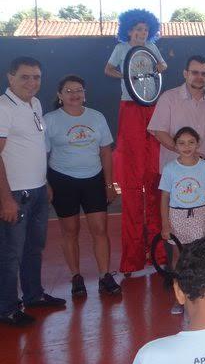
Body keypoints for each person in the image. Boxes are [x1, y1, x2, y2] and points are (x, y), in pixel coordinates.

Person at [0, 57, 66, 326]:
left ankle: (33, 295)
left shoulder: (35, 104)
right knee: (10, 253)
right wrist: (5, 198)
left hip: (37, 189)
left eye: (36, 77)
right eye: (25, 77)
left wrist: (45, 182)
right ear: (10, 77)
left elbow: (35, 148)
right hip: (15, 193)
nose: (32, 82)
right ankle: (6, 308)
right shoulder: (4, 108)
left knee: (34, 248)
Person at [44, 75, 121, 296]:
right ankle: (76, 277)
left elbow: (106, 151)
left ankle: (105, 276)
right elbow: (43, 154)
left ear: (85, 94)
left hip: (94, 180)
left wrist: (109, 184)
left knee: (100, 229)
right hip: (62, 180)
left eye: (79, 90)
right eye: (68, 91)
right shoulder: (49, 120)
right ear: (59, 96)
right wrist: (47, 183)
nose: (74, 95)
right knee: (70, 231)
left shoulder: (97, 117)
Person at [104, 9, 167, 274]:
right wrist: (126, 77)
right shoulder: (121, 49)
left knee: (155, 178)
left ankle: (159, 254)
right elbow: (108, 70)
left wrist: (157, 69)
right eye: (136, 29)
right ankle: (132, 259)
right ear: (128, 30)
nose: (140, 33)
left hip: (151, 104)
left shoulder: (152, 47)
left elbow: (162, 67)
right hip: (130, 106)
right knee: (133, 179)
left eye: (144, 29)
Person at [159, 127, 205, 315]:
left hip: (199, 215)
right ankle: (180, 297)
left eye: (191, 142)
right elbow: (164, 198)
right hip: (176, 216)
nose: (186, 146)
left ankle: (199, 295)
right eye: (182, 143)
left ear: (198, 144)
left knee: (198, 257)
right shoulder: (170, 169)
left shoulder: (204, 166)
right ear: (175, 145)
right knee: (178, 257)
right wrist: (165, 223)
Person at [148, 55, 205, 175]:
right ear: (185, 74)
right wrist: (187, 152)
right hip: (175, 172)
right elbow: (160, 133)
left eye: (204, 74)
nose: (199, 77)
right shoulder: (168, 98)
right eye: (195, 72)